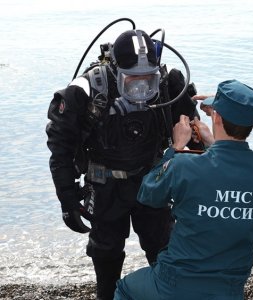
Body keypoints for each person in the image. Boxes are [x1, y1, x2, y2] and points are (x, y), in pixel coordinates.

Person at [46, 28, 202, 300]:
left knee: (164, 254)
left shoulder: (168, 85)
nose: (141, 87)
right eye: (132, 80)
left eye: (147, 79)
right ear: (115, 71)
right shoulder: (85, 91)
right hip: (105, 186)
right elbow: (60, 146)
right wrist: (67, 198)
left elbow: (195, 136)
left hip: (153, 181)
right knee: (106, 257)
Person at [113, 79, 253, 300]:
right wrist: (213, 143)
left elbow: (148, 192)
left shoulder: (183, 166)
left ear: (217, 117)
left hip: (176, 282)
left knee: (125, 288)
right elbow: (232, 173)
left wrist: (175, 147)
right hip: (229, 288)